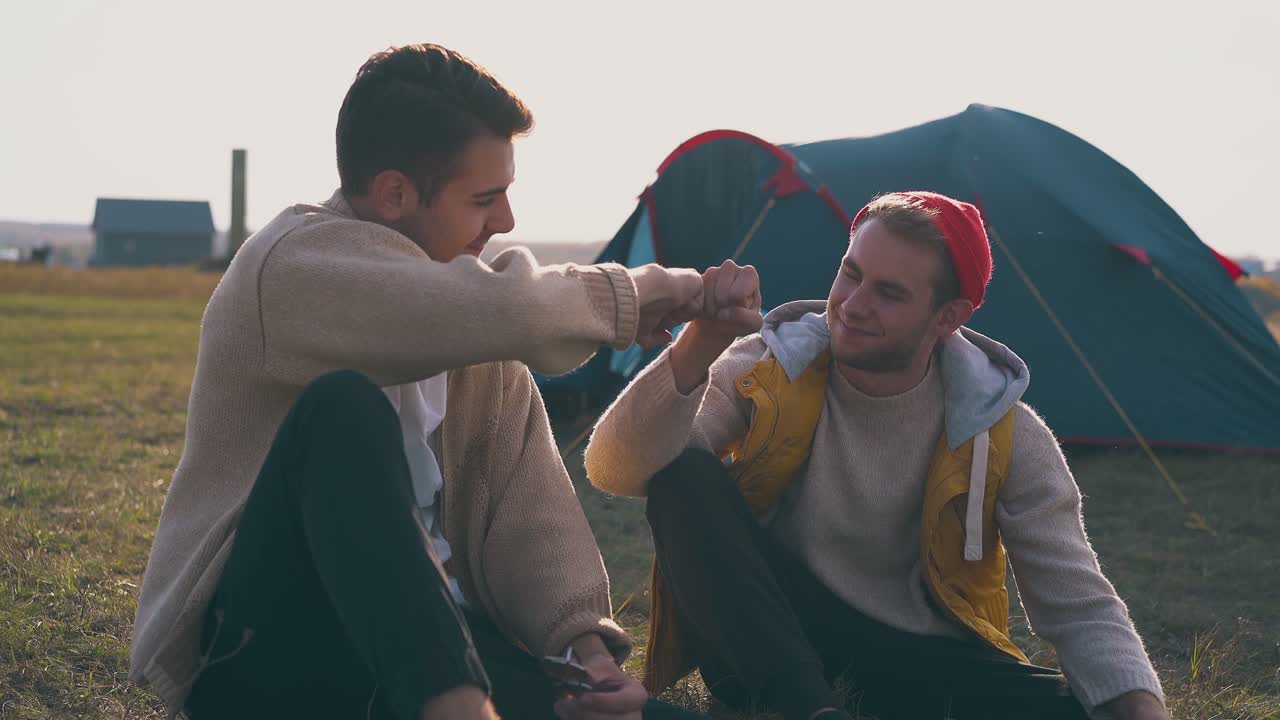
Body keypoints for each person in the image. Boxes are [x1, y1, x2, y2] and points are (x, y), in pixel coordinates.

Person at [129, 43, 706, 720]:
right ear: (395, 194)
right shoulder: (287, 267)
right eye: (485, 199)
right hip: (265, 652)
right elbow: (491, 309)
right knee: (340, 409)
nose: (507, 222)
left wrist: (585, 653)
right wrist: (630, 293)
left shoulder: (479, 336)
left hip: (429, 653)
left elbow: (532, 516)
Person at [585, 191, 1170, 720]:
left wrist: (1142, 708)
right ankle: (808, 708)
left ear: (948, 317)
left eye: (889, 293)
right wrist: (700, 343)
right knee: (682, 472)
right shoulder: (768, 366)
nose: (853, 305)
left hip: (916, 657)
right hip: (768, 635)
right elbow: (616, 469)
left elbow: (1078, 601)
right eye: (851, 273)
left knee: (1080, 711)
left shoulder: (1003, 428)